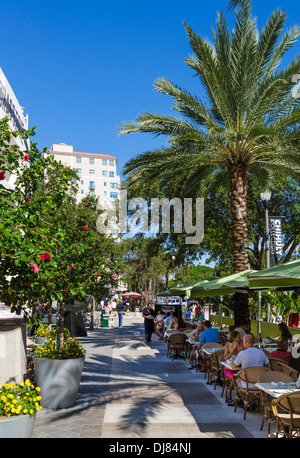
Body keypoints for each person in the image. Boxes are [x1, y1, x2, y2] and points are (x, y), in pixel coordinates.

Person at [223, 331, 243, 403]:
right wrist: (233, 350)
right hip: (228, 369)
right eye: (238, 337)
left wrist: (239, 349)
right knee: (235, 377)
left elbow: (241, 357)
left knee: (242, 376)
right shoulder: (228, 345)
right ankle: (230, 392)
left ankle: (240, 394)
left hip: (238, 368)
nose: (239, 338)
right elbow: (225, 358)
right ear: (233, 338)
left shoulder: (241, 345)